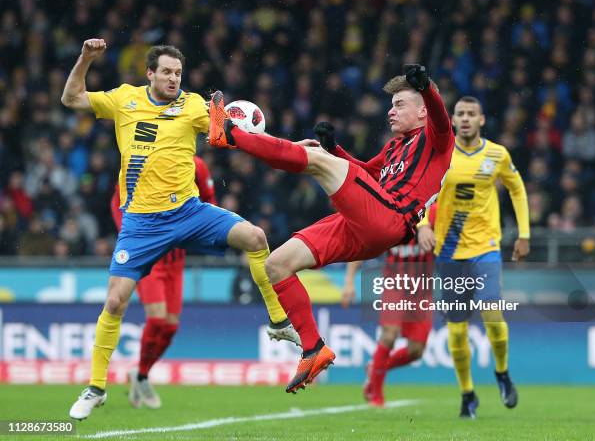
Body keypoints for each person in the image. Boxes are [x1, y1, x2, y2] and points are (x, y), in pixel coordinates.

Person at [63, 39, 299, 420]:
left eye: (178, 73)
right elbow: (71, 98)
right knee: (114, 302)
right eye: (167, 72)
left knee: (255, 238)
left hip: (188, 212)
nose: (174, 78)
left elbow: (234, 137)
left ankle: (277, 320)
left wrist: (291, 148)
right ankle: (96, 387)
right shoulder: (125, 99)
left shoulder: (192, 106)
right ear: (150, 74)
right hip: (140, 223)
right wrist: (86, 59)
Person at [207, 64, 454, 393]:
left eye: (399, 105)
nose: (391, 112)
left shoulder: (437, 137)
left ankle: (231, 135)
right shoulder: (396, 147)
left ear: (423, 110)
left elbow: (440, 117)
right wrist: (334, 150)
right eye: (391, 105)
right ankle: (313, 349)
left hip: (390, 219)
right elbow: (367, 173)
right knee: (276, 265)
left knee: (316, 162)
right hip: (366, 224)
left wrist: (427, 88)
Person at [416, 96, 530, 418]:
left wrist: (525, 234)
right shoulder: (441, 156)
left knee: (492, 314)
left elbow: (517, 188)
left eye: (471, 114)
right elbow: (423, 194)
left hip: (485, 249)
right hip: (449, 253)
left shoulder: (497, 154)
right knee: (456, 330)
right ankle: (468, 394)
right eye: (460, 114)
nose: (465, 119)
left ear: (481, 120)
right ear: (452, 120)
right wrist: (423, 225)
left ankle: (502, 373)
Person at [109, 156, 214, 409]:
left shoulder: (196, 165)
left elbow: (210, 201)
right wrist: (133, 237)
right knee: (156, 319)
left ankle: (141, 374)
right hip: (150, 255)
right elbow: (117, 202)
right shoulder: (141, 159)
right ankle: (140, 376)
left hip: (176, 259)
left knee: (170, 326)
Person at [342, 203, 437, 407]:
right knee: (389, 334)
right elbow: (362, 245)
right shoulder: (390, 213)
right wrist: (349, 282)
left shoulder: (433, 211)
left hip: (421, 288)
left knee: (416, 350)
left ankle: (375, 367)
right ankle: (376, 396)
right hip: (394, 283)